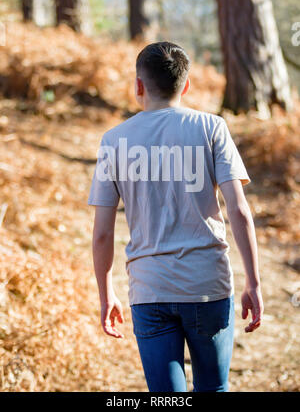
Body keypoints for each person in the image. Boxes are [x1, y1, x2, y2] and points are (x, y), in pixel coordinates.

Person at [88, 42, 264, 392]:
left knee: (165, 397)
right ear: (186, 86)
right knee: (213, 388)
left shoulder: (113, 141)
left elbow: (103, 234)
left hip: (148, 289)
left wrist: (106, 294)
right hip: (207, 285)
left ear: (138, 86)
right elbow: (239, 210)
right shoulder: (211, 128)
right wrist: (254, 283)